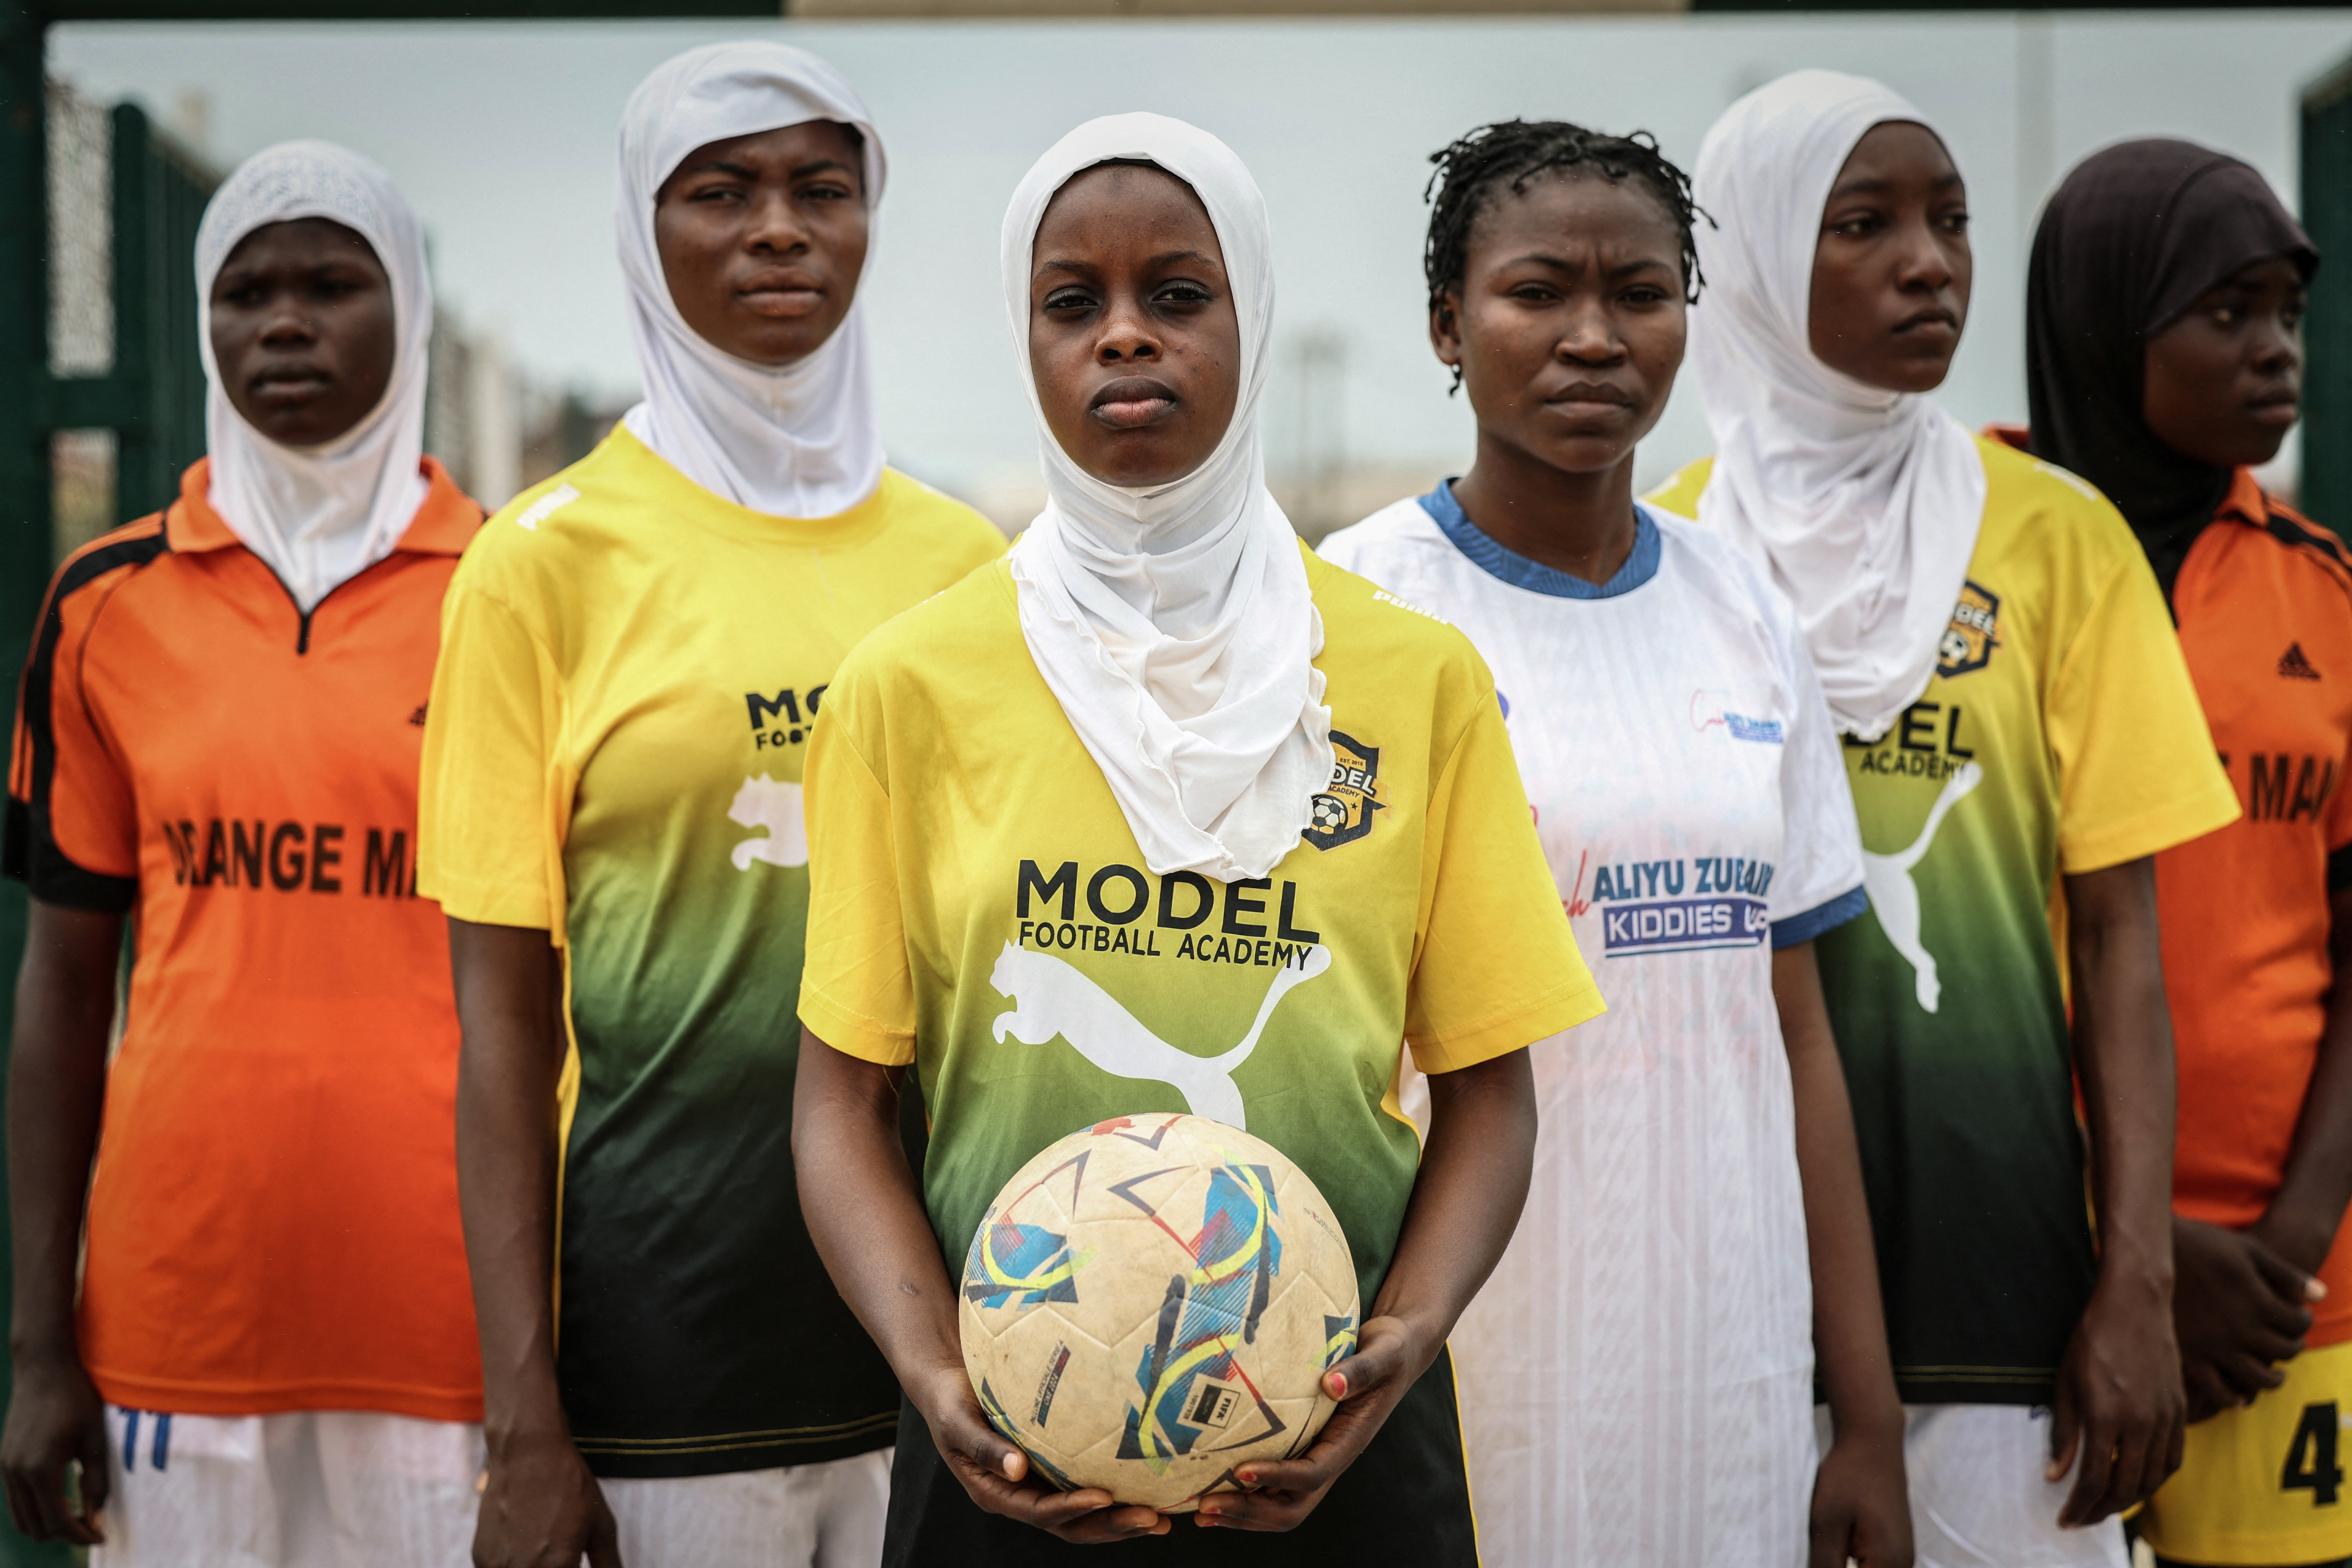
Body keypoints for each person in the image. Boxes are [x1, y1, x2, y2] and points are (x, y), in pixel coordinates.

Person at [791, 112, 1599, 1564]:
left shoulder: (1416, 680)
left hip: (1340, 1441)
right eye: (1072, 303)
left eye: (1178, 294)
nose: (1125, 336)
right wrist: (933, 1375)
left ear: (1253, 319)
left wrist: (1406, 1339)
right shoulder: (906, 688)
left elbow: (1491, 1097)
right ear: (1025, 340)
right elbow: (841, 1109)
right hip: (1010, 1444)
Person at [417, 43, 1004, 1568]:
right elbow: (502, 1033)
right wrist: (524, 1424)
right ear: (643, 226)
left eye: (823, 189)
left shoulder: (965, 566)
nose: (779, 230)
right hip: (659, 1367)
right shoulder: (541, 565)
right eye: (721, 191)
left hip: (946, 1367)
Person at [1648, 71, 2241, 1568]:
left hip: (2010, 1284)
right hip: (1732, 1285)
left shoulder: (2059, 535)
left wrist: (2139, 1285)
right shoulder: (1671, 548)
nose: (1930, 262)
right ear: (1759, 259)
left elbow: (2118, 941)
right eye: (1865, 224)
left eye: (1953, 221)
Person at [1319, 118, 1911, 1567]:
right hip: (1464, 1366)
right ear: (1448, 323)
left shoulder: (1743, 608)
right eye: (1538, 293)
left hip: (1733, 1369)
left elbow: (1799, 1034)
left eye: (1640, 294)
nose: (1594, 337)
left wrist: (1869, 1415)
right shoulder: (1353, 614)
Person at [0, 141, 485, 1565]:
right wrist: (39, 1344)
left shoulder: (514, 592)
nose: (284, 324)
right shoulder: (107, 602)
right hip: (175, 1319)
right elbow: (63, 987)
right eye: (245, 291)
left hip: (449, 1321)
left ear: (408, 312)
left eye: (332, 286)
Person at [2020, 138, 2352, 1568]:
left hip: (2286, 1299)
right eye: (2227, 312)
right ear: (2105, 322)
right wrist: (2129, 1249)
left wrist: (2286, 1255)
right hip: (2025, 1266)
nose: (2277, 350)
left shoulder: (2325, 593)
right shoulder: (1971, 568)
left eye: (2288, 312)